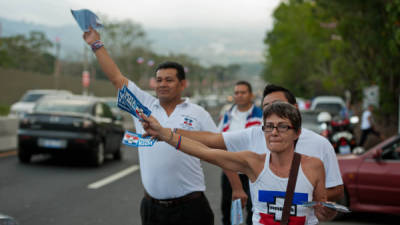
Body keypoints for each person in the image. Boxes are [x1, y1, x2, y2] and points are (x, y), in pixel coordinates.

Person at [83, 27, 217, 225]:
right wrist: (96, 44)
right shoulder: (143, 105)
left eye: (169, 80)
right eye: (159, 80)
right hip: (152, 209)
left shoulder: (198, 113)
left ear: (182, 84)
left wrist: (237, 188)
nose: (162, 84)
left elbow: (221, 147)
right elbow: (116, 78)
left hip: (190, 208)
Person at [140, 102, 337, 224]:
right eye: (269, 127)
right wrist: (165, 134)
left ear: (297, 133)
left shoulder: (314, 166)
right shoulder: (253, 162)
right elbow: (205, 151)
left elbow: (322, 213)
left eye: (283, 127)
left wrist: (327, 212)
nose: (274, 132)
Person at [168, 84, 344, 203]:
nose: (272, 111)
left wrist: (299, 198)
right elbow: (212, 142)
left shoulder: (320, 145)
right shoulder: (254, 136)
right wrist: (168, 132)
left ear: (295, 108)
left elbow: (335, 190)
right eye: (266, 107)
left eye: (278, 105)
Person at [218, 81, 262, 225]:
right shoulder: (228, 116)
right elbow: (218, 139)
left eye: (243, 92)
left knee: (253, 209)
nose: (239, 95)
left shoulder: (260, 116)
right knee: (228, 209)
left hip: (252, 171)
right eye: (236, 92)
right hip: (230, 170)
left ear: (251, 95)